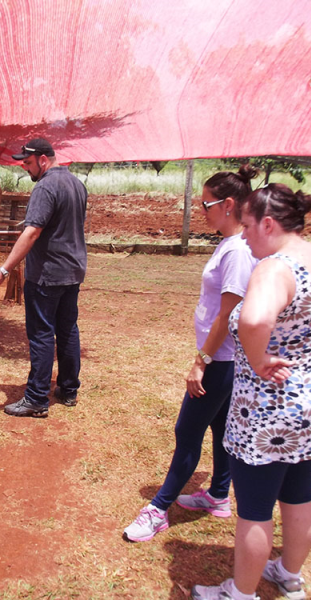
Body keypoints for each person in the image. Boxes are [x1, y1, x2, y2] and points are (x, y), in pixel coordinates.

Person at [192, 184, 311, 600]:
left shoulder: (274, 268)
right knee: (299, 493)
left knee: (255, 508)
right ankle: (289, 575)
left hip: (270, 410)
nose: (244, 236)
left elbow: (254, 320)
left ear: (268, 224)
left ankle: (240, 593)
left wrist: (258, 358)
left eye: (247, 226)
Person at [123, 165, 259, 542]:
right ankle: (218, 495)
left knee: (187, 431)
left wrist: (202, 362)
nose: (202, 210)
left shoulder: (237, 251)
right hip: (226, 359)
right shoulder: (231, 243)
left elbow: (228, 312)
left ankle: (158, 509)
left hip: (221, 360)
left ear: (228, 204)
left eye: (206, 204)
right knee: (221, 428)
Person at [0, 138, 88, 418]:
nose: (25, 168)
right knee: (68, 330)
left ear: (43, 160)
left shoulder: (45, 187)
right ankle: (68, 390)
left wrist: (4, 270)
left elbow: (32, 232)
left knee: (41, 334)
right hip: (73, 271)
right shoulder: (76, 184)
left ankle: (37, 399)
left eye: (28, 163)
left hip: (47, 274)